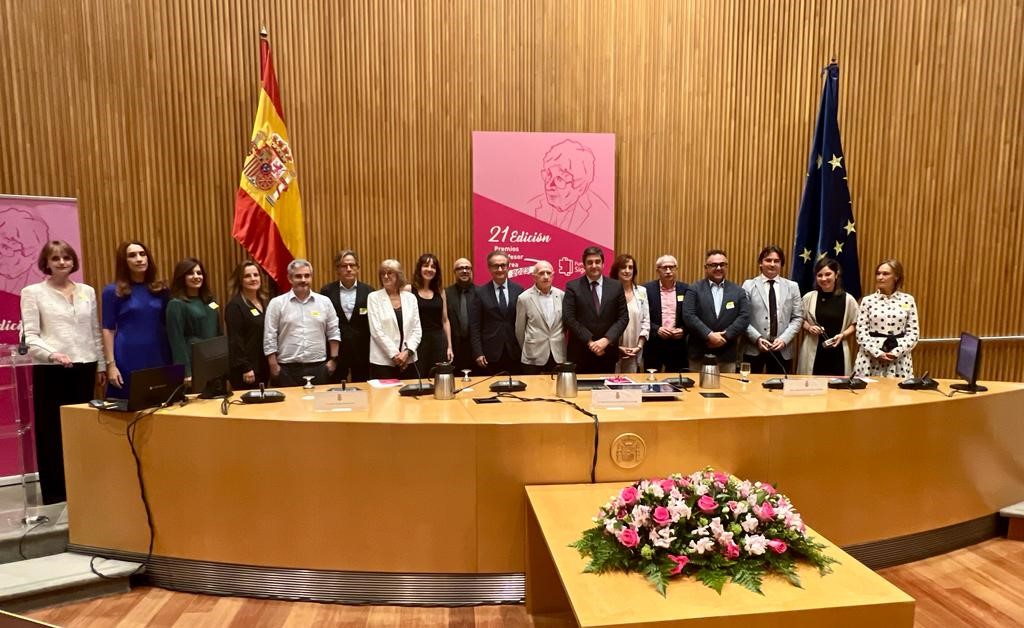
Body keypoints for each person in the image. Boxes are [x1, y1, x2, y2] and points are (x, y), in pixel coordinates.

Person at [20, 241, 105, 504]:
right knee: (52, 432)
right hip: (52, 369)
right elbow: (30, 336)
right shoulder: (33, 292)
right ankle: (56, 492)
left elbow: (94, 331)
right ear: (46, 263)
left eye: (66, 258)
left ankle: (84, 486)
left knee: (81, 431)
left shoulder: (87, 291)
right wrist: (51, 354)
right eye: (55, 258)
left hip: (84, 366)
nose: (62, 263)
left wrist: (101, 364)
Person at [101, 240, 171, 399]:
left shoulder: (161, 289)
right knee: (129, 403)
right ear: (124, 262)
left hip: (158, 354)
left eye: (142, 254)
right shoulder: (112, 291)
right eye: (132, 256)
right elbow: (108, 329)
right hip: (128, 355)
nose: (139, 259)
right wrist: (111, 365)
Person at [263, 259, 340, 387]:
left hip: (319, 367)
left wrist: (333, 360)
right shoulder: (277, 303)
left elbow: (333, 331)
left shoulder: (324, 302)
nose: (303, 280)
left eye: (307, 276)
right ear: (289, 278)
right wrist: (273, 365)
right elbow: (269, 336)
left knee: (317, 407)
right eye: (298, 276)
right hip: (287, 370)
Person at [562, 246, 629, 374]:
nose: (594, 266)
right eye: (590, 262)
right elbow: (569, 318)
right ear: (584, 265)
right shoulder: (573, 287)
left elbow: (623, 317)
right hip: (581, 353)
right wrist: (590, 341)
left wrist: (606, 340)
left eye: (597, 262)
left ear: (603, 264)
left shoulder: (616, 286)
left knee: (606, 392)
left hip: (607, 352)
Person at [681, 249, 751, 373]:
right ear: (705, 267)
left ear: (726, 266)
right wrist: (709, 335)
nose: (718, 268)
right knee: (695, 391)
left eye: (722, 264)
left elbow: (744, 317)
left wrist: (725, 335)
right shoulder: (694, 289)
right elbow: (688, 316)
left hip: (727, 354)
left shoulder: (738, 291)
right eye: (713, 265)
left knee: (729, 390)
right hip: (700, 353)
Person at [741, 246, 803, 374]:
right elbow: (742, 317)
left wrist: (784, 339)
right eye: (768, 260)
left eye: (776, 261)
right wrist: (757, 338)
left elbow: (797, 318)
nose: (772, 264)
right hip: (754, 347)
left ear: (781, 264)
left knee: (780, 390)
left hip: (782, 349)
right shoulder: (748, 285)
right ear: (761, 263)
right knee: (750, 390)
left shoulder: (792, 287)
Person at [854, 258, 920, 378]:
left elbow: (913, 333)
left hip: (898, 358)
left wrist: (896, 352)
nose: (880, 277)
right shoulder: (868, 301)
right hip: (870, 358)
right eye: (878, 273)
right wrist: (877, 352)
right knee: (867, 395)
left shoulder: (907, 300)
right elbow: (860, 332)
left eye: (885, 273)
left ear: (896, 277)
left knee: (897, 395)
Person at [796, 258, 858, 376]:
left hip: (838, 352)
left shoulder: (848, 299)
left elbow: (856, 324)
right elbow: (798, 319)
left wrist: (843, 335)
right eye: (820, 275)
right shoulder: (809, 297)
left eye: (828, 274)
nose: (824, 279)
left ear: (836, 274)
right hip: (813, 351)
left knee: (838, 390)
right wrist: (809, 328)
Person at [166, 257, 222, 382]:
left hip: (213, 361)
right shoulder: (176, 304)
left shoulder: (210, 302)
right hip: (193, 363)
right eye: (190, 273)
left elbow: (218, 332)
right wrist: (185, 371)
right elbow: (177, 341)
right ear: (182, 277)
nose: (196, 276)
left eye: (199, 273)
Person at [320, 250, 372, 383]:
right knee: (335, 392)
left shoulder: (369, 292)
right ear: (338, 269)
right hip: (336, 352)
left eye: (352, 265)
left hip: (362, 352)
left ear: (358, 268)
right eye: (344, 266)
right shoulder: (326, 292)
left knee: (363, 392)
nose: (348, 269)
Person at [469, 250, 523, 375]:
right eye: (495, 266)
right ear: (489, 268)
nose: (499, 269)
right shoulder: (480, 292)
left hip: (514, 351)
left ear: (508, 267)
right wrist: (478, 352)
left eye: (503, 265)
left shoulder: (519, 290)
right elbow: (475, 325)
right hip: (489, 353)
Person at [367, 259, 422, 379]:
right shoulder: (373, 297)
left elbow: (417, 330)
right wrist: (395, 355)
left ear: (399, 275)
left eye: (390, 273)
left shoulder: (411, 298)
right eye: (383, 273)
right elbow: (376, 331)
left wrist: (407, 353)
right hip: (383, 362)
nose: (385, 276)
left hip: (408, 360)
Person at [225, 260, 271, 390]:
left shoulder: (264, 301)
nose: (253, 279)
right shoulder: (235, 306)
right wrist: (246, 367)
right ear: (240, 280)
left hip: (263, 366)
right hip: (247, 370)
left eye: (256, 275)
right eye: (247, 276)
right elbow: (235, 340)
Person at [515, 261, 565, 374]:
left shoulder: (562, 295)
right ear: (534, 276)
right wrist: (529, 346)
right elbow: (519, 330)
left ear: (553, 275)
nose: (546, 277)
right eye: (542, 273)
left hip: (557, 354)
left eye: (548, 273)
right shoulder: (524, 298)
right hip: (533, 356)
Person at [405, 253, 453, 369]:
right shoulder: (409, 289)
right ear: (419, 268)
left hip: (439, 341)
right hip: (418, 341)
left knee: (438, 378)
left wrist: (449, 346)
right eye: (426, 265)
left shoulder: (440, 291)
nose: (429, 269)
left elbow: (445, 320)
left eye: (433, 267)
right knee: (417, 379)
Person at [643, 255, 688, 373]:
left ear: (676, 269)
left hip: (677, 345)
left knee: (677, 383)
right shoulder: (646, 289)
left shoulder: (686, 289)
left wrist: (684, 330)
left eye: (671, 267)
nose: (668, 271)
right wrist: (656, 329)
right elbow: (641, 317)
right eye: (664, 268)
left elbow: (690, 316)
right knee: (651, 382)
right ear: (658, 270)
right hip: (654, 344)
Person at [609, 254, 650, 373]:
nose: (627, 271)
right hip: (613, 350)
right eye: (623, 267)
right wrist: (617, 348)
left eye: (630, 267)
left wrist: (639, 346)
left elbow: (646, 321)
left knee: (631, 388)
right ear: (617, 270)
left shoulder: (642, 292)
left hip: (635, 350)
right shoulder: (609, 292)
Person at [445, 257, 477, 373]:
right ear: (454, 272)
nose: (464, 271)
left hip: (475, 350)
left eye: (467, 268)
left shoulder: (480, 292)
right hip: (453, 350)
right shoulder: (446, 293)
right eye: (460, 268)